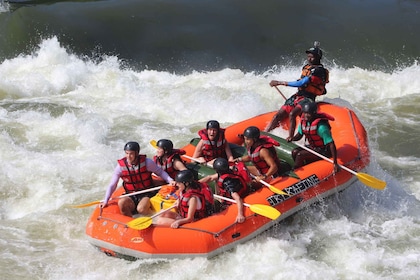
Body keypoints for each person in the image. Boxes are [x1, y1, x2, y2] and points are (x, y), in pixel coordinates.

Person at [265, 41, 329, 141]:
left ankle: (290, 137)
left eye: (312, 57)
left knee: (292, 114)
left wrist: (280, 82)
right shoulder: (307, 67)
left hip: (308, 98)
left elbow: (302, 83)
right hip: (298, 96)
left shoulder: (319, 70)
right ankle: (266, 134)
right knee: (278, 116)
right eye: (308, 56)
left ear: (318, 58)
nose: (309, 59)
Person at [99, 141, 175, 217]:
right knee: (122, 203)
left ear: (137, 153)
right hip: (131, 193)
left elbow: (160, 172)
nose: (128, 156)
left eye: (131, 153)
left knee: (141, 209)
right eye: (127, 153)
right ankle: (131, 221)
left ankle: (154, 218)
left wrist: (170, 180)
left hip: (147, 192)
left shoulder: (147, 163)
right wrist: (106, 200)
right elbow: (113, 184)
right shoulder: (120, 167)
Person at [288, 102, 339, 173]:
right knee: (294, 152)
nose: (306, 115)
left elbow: (331, 144)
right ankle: (302, 167)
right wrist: (292, 138)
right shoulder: (304, 122)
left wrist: (335, 163)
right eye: (304, 113)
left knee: (300, 155)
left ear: (314, 113)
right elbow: (299, 135)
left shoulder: (321, 127)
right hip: (313, 147)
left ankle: (296, 171)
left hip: (323, 151)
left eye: (308, 113)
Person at [199, 158, 248, 223]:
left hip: (232, 202)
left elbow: (238, 198)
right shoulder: (230, 171)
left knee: (213, 206)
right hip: (240, 193)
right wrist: (196, 184)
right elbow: (210, 178)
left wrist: (240, 214)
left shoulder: (227, 183)